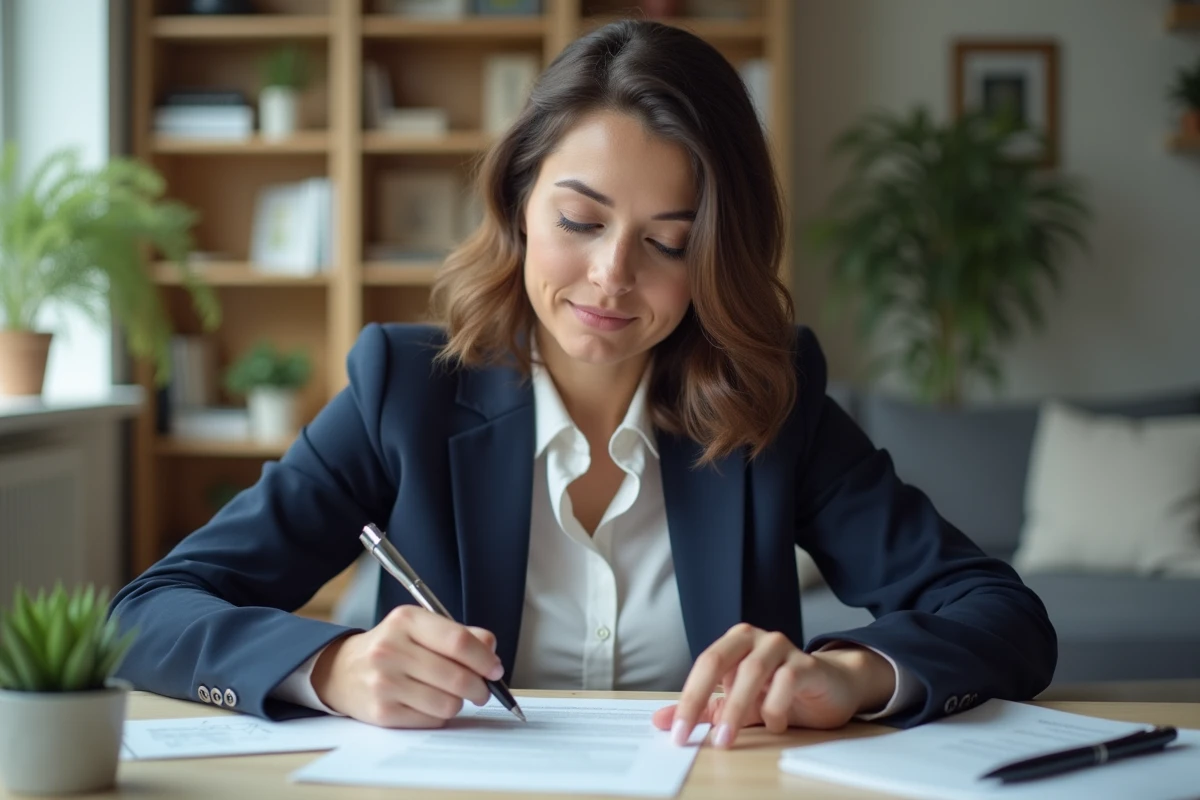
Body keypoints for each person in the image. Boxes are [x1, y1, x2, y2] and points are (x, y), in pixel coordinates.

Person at [110, 19, 1056, 750]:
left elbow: (1004, 619)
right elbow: (147, 614)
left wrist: (853, 676)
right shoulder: (405, 388)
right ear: (521, 203)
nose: (611, 277)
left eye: (667, 242)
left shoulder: (775, 397)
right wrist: (332, 667)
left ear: (714, 257)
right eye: (579, 220)